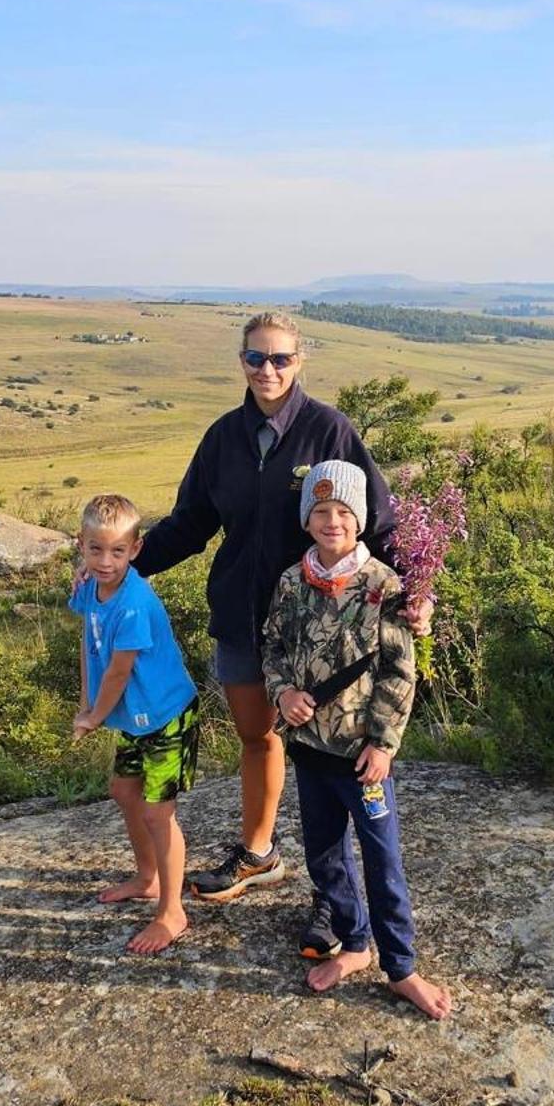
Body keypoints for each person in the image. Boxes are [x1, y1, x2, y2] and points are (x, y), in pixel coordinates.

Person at [133, 310, 424, 906]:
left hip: (321, 624)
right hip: (242, 616)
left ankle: (335, 897)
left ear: (300, 361)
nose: (268, 369)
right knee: (257, 736)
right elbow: (191, 523)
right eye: (256, 358)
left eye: (280, 358)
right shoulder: (222, 438)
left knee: (330, 753)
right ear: (241, 362)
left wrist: (415, 594)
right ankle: (260, 853)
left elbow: (381, 521)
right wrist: (124, 565)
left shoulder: (329, 430)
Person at [262, 459, 452, 1020]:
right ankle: (356, 944)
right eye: (321, 511)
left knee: (381, 859)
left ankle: (402, 968)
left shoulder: (384, 585)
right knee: (324, 859)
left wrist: (384, 743)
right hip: (310, 749)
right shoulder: (292, 581)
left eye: (344, 511)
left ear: (361, 518)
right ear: (307, 519)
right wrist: (281, 694)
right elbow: (271, 646)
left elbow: (399, 670)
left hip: (361, 757)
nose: (332, 521)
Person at [70, 493, 201, 955]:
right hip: (136, 718)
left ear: (136, 549)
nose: (106, 561)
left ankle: (172, 911)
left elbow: (120, 670)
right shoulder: (90, 586)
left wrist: (93, 717)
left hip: (166, 717)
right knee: (125, 791)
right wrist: (86, 702)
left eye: (118, 551)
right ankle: (147, 877)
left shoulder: (134, 603)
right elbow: (88, 639)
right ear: (81, 546)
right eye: (96, 550)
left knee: (157, 813)